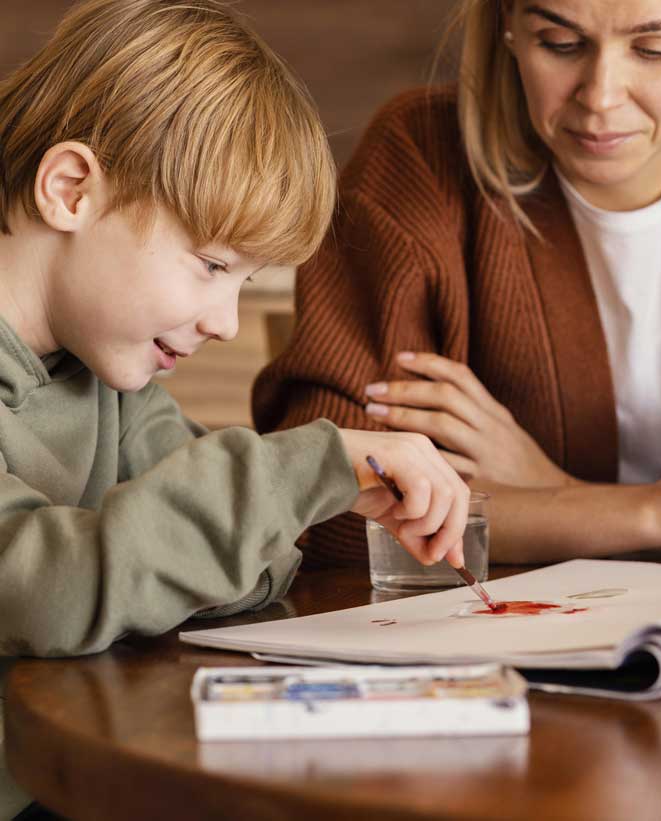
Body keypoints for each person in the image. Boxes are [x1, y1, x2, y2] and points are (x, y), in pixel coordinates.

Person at [0, 0, 470, 815]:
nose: (223, 321)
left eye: (244, 283)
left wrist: (316, 491)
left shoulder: (110, 380)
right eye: (211, 265)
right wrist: (310, 467)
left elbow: (249, 574)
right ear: (71, 190)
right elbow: (45, 590)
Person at [253, 0, 661, 568]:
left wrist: (552, 493)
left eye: (653, 50)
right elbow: (328, 507)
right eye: (560, 44)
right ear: (508, 25)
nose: (601, 97)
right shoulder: (420, 156)